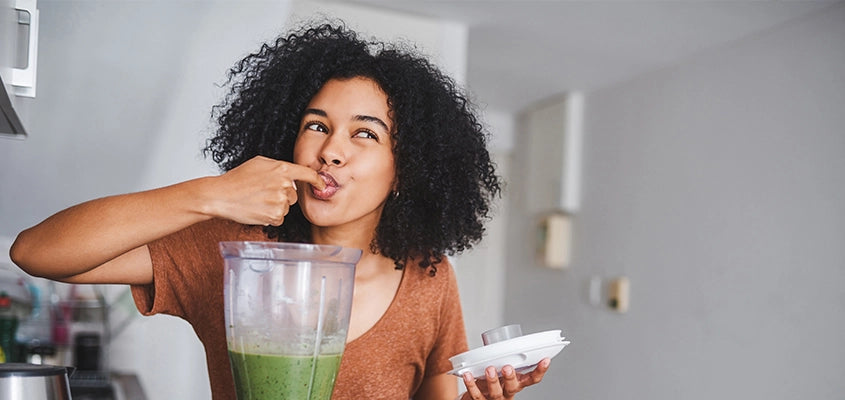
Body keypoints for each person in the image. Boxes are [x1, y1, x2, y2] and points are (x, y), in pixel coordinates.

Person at [10, 21, 550, 400]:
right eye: (317, 125)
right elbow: (36, 252)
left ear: (406, 166)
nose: (330, 149)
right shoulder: (235, 252)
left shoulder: (428, 276)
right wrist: (212, 194)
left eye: (365, 133)